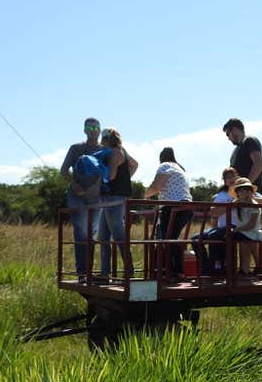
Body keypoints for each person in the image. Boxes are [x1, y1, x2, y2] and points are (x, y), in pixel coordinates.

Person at [59, 117, 103, 281]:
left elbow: (107, 172)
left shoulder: (104, 150)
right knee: (81, 233)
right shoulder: (76, 148)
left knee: (92, 234)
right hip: (76, 196)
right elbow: (63, 170)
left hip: (96, 197)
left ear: (99, 130)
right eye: (90, 128)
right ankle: (82, 273)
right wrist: (74, 184)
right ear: (84, 130)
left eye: (96, 128)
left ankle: (88, 272)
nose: (93, 131)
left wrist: (96, 186)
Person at [97, 128, 138, 280]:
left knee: (118, 236)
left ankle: (129, 271)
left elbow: (111, 175)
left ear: (105, 140)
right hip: (113, 198)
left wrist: (97, 171)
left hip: (114, 198)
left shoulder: (113, 152)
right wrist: (126, 178)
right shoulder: (122, 151)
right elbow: (135, 165)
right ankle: (104, 273)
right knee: (103, 236)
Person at [144, 147, 192, 279]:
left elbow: (156, 187)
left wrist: (146, 195)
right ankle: (175, 270)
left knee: (168, 239)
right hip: (186, 207)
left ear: (161, 158)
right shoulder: (180, 168)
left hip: (172, 207)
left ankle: (175, 271)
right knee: (171, 238)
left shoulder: (165, 166)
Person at [192, 167, 238, 275]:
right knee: (195, 239)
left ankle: (216, 268)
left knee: (214, 235)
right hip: (221, 226)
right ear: (224, 180)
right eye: (228, 177)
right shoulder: (221, 195)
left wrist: (224, 207)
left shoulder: (242, 191)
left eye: (233, 176)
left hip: (235, 226)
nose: (231, 179)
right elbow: (214, 213)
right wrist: (230, 206)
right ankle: (206, 268)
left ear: (237, 177)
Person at [229, 177, 262, 276]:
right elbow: (230, 206)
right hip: (242, 232)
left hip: (252, 232)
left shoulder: (255, 206)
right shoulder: (238, 204)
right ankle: (240, 268)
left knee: (243, 240)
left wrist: (236, 230)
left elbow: (251, 225)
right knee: (228, 237)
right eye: (241, 190)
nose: (245, 192)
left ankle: (245, 270)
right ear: (237, 193)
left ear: (251, 192)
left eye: (247, 190)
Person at [223, 118, 262, 194]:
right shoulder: (235, 151)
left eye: (228, 134)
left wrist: (245, 187)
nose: (228, 138)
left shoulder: (250, 141)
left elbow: (258, 164)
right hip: (240, 197)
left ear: (235, 129)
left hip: (252, 197)